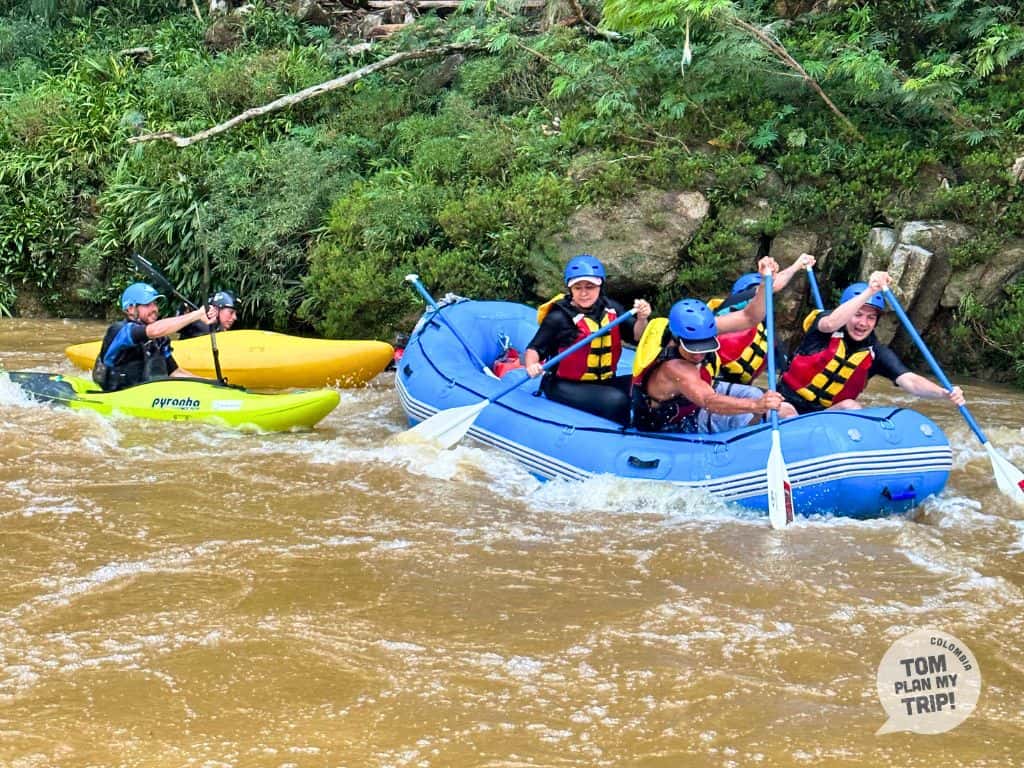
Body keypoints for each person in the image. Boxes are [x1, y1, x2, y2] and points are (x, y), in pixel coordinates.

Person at [632, 257, 797, 433]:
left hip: (699, 393)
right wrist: (755, 406)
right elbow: (708, 400)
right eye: (692, 349)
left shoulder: (702, 329)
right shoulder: (675, 368)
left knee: (776, 405)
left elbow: (750, 317)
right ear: (678, 339)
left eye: (705, 346)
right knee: (753, 416)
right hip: (680, 417)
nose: (699, 355)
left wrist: (764, 283)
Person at [778, 271, 966, 413]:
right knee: (786, 412)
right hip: (787, 402)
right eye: (858, 314)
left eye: (871, 317)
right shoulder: (823, 327)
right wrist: (871, 290)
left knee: (852, 406)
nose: (863, 323)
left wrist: (943, 393)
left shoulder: (875, 352)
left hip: (825, 416)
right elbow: (831, 323)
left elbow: (910, 381)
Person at [524, 254, 652, 425]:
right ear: (570, 289)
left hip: (604, 381)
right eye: (577, 288)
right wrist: (531, 365)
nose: (584, 293)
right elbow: (534, 349)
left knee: (649, 384)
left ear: (600, 286)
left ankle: (651, 427)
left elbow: (637, 336)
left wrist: (642, 319)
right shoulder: (559, 317)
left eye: (590, 287)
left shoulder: (612, 309)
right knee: (616, 400)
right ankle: (624, 434)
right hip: (564, 385)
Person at [708, 253, 816, 385]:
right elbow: (772, 287)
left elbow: (782, 363)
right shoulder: (730, 306)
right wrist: (797, 265)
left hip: (742, 384)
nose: (762, 297)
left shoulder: (765, 326)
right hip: (716, 377)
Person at [92, 282, 218, 392]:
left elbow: (175, 373)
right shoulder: (120, 330)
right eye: (147, 305)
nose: (154, 309)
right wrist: (197, 314)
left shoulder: (159, 339)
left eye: (155, 304)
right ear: (130, 309)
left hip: (146, 395)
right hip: (114, 394)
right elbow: (153, 331)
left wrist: (210, 383)